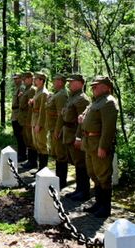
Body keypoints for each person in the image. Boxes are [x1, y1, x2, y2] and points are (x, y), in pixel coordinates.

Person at [78, 76, 118, 218]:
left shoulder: (108, 102)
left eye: (97, 85)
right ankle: (98, 203)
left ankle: (105, 207)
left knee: (103, 176)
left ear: (107, 87)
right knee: (94, 174)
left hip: (98, 144)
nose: (93, 88)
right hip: (90, 143)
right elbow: (86, 114)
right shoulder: (96, 102)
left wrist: (103, 146)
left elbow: (108, 128)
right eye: (93, 86)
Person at [62, 74, 90, 201]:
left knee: (81, 163)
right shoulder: (72, 97)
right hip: (68, 132)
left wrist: (78, 137)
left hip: (75, 133)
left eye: (72, 82)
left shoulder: (82, 99)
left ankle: (83, 191)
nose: (69, 84)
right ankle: (79, 189)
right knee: (76, 163)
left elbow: (82, 121)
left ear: (80, 83)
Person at [46, 73, 69, 190]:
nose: (53, 82)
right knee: (57, 154)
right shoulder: (57, 94)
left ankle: (61, 181)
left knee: (61, 155)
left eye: (55, 80)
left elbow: (61, 114)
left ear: (60, 82)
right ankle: (58, 178)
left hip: (57, 128)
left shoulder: (61, 95)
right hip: (53, 127)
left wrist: (58, 129)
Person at [31, 71, 50, 174]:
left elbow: (43, 111)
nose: (34, 80)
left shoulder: (44, 93)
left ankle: (43, 169)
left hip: (39, 122)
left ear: (42, 81)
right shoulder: (37, 91)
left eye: (36, 79)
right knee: (37, 144)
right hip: (34, 120)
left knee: (42, 145)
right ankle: (40, 169)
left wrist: (39, 124)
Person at [19, 72, 37, 170]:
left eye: (25, 78)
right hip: (24, 118)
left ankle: (32, 161)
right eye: (23, 78)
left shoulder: (32, 90)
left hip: (28, 119)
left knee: (31, 141)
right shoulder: (26, 89)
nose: (23, 80)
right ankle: (30, 160)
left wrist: (30, 122)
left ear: (30, 78)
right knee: (27, 140)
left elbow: (31, 108)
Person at [11, 74, 26, 162]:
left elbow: (22, 104)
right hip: (15, 114)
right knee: (18, 136)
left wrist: (20, 117)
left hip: (18, 116)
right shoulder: (17, 88)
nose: (15, 80)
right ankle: (21, 153)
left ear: (21, 79)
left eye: (17, 79)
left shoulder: (22, 88)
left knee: (20, 136)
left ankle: (22, 154)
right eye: (14, 79)